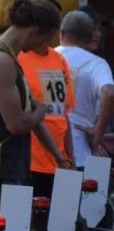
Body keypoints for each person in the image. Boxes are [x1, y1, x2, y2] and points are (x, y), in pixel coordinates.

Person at [0, 0, 64, 210]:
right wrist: (40, 112)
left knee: (16, 230)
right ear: (34, 31)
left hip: (13, 167)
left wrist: (61, 160)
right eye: (46, 39)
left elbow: (31, 116)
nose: (45, 46)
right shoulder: (0, 63)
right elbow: (18, 124)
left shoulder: (10, 60)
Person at [18, 12, 76, 196]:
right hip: (30, 161)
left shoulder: (59, 59)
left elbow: (63, 114)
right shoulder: (18, 59)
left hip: (59, 162)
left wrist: (70, 160)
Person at [56, 10, 114, 167]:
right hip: (81, 151)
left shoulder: (46, 58)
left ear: (62, 34)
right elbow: (109, 92)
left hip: (45, 151)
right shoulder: (96, 64)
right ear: (89, 37)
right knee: (87, 183)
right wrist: (98, 132)